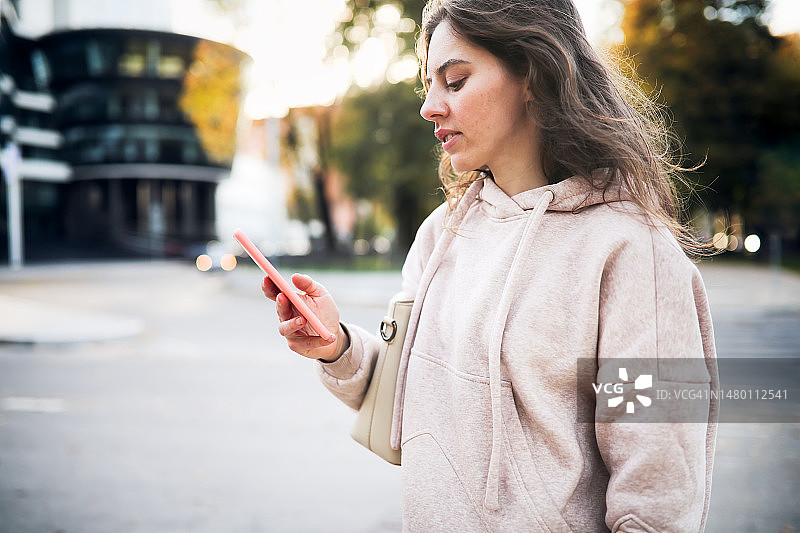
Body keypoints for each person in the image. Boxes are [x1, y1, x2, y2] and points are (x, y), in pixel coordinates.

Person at [261, 0, 719, 531]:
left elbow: (660, 492)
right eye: (428, 84)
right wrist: (335, 344)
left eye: (454, 81)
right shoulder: (441, 233)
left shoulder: (634, 253)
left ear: (532, 75)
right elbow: (405, 401)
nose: (430, 106)